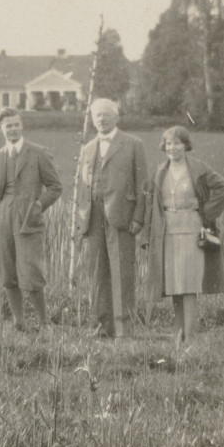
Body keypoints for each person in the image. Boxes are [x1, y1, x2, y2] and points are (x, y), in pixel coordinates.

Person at [142, 126, 224, 343]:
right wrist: (147, 234)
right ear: (164, 146)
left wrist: (206, 215)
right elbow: (151, 204)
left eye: (177, 143)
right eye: (169, 143)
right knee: (173, 284)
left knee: (189, 283)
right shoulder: (160, 171)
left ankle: (189, 335)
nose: (172, 148)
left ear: (186, 145)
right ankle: (178, 332)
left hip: (191, 229)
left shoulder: (198, 167)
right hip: (167, 232)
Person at [75, 98, 148, 338]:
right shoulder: (87, 148)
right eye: (97, 116)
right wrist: (81, 218)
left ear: (116, 117)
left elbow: (142, 185)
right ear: (93, 120)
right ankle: (101, 325)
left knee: (122, 272)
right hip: (93, 216)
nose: (102, 119)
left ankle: (124, 329)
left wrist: (138, 217)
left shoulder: (133, 144)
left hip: (122, 216)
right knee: (97, 272)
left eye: (106, 114)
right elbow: (82, 186)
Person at [0, 107, 62, 331]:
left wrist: (38, 206)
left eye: (16, 124)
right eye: (8, 125)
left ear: (22, 125)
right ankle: (19, 322)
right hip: (3, 220)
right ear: (0, 128)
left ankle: (44, 322)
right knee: (8, 272)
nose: (13, 129)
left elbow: (55, 187)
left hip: (29, 220)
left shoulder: (38, 153)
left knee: (31, 273)